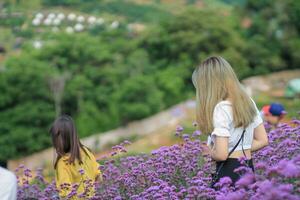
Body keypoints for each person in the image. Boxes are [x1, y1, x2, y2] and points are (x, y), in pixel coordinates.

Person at [192, 56, 269, 187]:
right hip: (248, 169)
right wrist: (239, 150)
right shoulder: (248, 102)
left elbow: (221, 155)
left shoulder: (221, 108)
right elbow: (263, 140)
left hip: (228, 173)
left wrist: (208, 152)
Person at [49, 115, 102, 199]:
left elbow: (65, 193)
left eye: (55, 140)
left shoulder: (63, 162)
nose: (55, 144)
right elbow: (99, 176)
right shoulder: (86, 152)